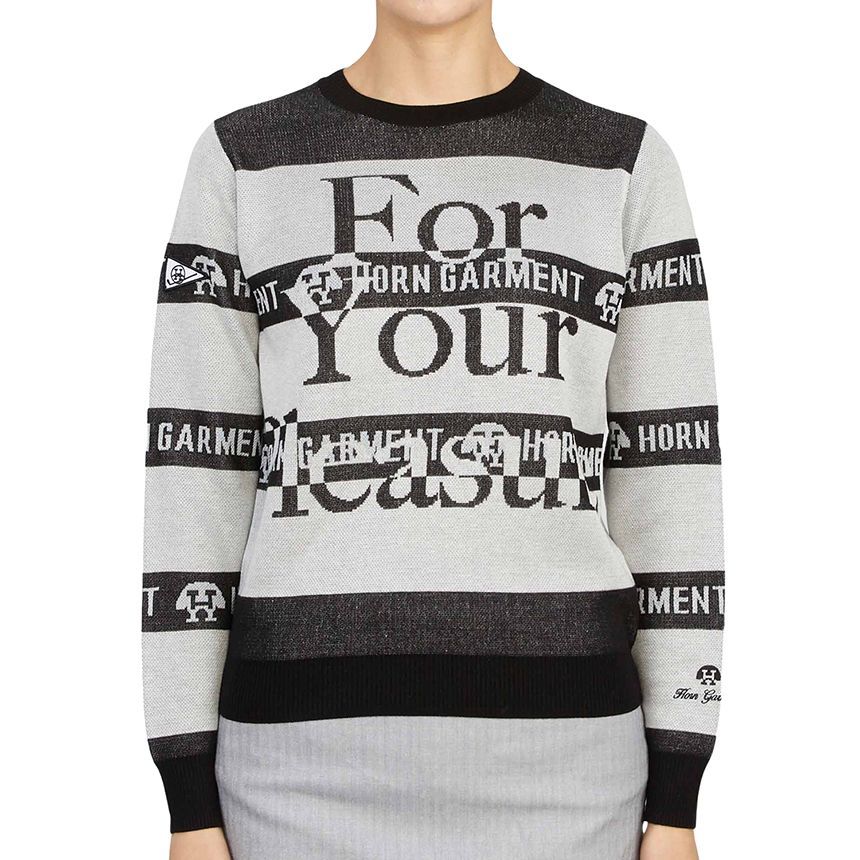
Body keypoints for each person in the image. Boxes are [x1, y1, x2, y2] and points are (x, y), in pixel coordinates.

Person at [142, 1, 724, 858]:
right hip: (292, 769)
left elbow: (672, 481)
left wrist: (678, 795)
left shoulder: (621, 163)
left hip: (570, 765)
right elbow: (194, 477)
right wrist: (186, 799)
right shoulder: (244, 160)